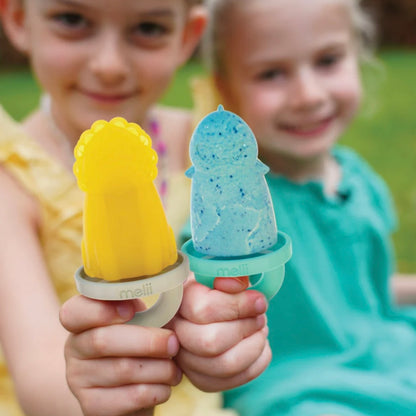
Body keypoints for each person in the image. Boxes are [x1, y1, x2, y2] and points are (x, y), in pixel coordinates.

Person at [0, 0, 270, 415]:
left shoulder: (201, 145)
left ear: (187, 37)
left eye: (147, 28)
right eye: (72, 20)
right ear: (18, 20)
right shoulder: (11, 183)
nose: (110, 64)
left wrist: (225, 335)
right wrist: (92, 394)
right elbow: (38, 375)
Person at [185, 0, 416, 415]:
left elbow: (363, 293)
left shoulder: (359, 180)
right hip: (299, 388)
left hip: (387, 356)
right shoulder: (235, 215)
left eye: (328, 60)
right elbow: (197, 292)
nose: (308, 95)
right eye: (271, 74)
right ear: (225, 89)